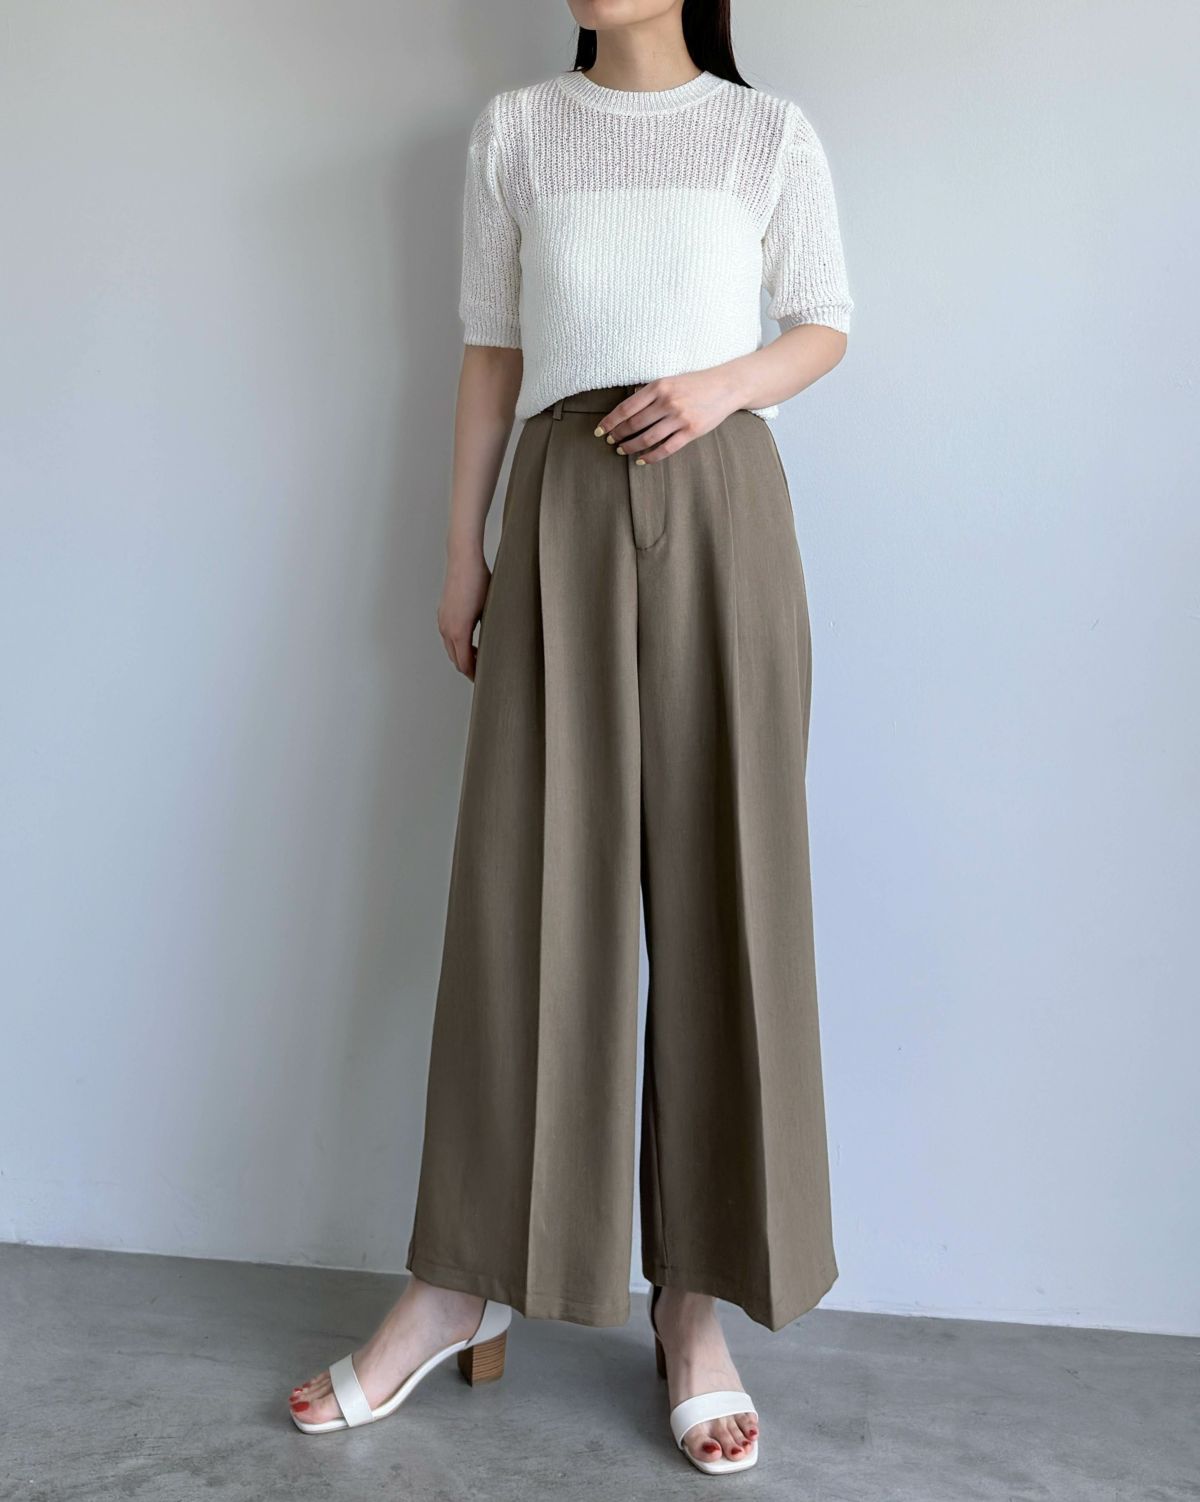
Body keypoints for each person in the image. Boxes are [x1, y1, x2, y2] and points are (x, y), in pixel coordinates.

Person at [289, 0, 852, 1475]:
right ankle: (461, 1279)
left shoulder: (765, 134)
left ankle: (695, 1309)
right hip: (556, 508)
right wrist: (460, 552)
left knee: (726, 898)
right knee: (528, 902)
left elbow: (824, 321)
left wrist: (722, 381)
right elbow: (491, 353)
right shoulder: (518, 133)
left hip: (723, 510)